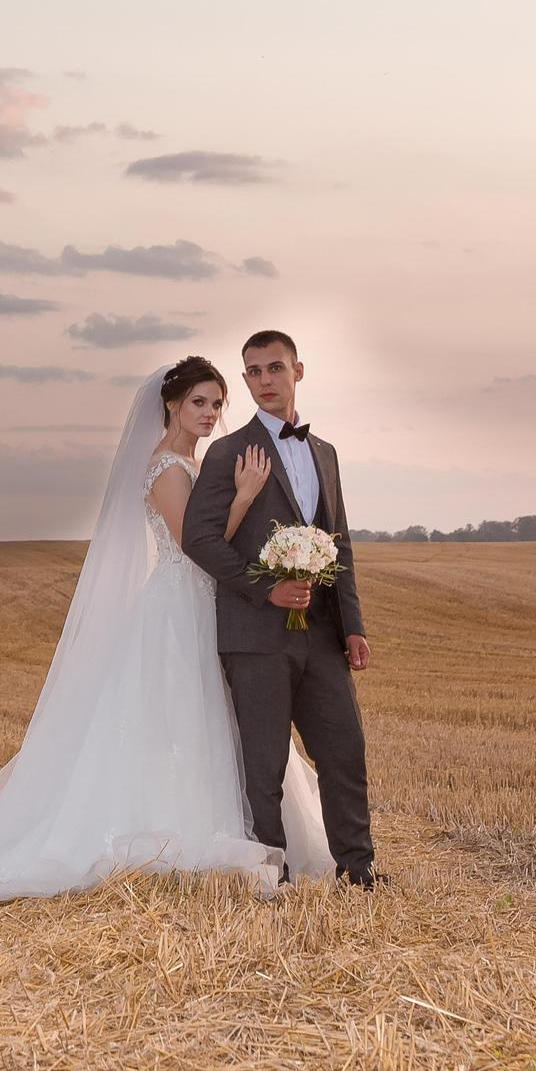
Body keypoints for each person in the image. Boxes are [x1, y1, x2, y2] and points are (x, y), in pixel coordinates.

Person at [0, 356, 334, 904]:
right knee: (178, 715)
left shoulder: (195, 465)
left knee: (217, 717)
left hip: (211, 605)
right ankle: (173, 829)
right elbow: (192, 546)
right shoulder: (167, 468)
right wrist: (244, 497)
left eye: (217, 403)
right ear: (172, 405)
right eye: (199, 402)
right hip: (179, 606)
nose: (209, 413)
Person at [182, 330, 381, 887]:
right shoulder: (227, 452)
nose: (265, 381)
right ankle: (274, 876)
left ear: (298, 371)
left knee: (345, 751)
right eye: (253, 372)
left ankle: (358, 872)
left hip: (320, 635)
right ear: (245, 379)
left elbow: (338, 542)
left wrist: (352, 627)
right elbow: (198, 540)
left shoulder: (326, 453)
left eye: (275, 368)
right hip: (254, 635)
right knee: (264, 765)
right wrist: (262, 588)